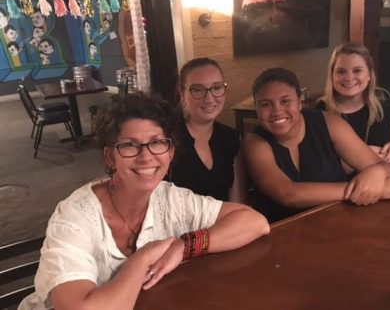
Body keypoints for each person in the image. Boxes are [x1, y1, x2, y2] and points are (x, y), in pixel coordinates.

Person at [19, 94, 269, 310]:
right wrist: (143, 258)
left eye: (157, 143)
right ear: (109, 157)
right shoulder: (74, 217)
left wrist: (184, 246)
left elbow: (255, 222)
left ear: (170, 153)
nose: (146, 156)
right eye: (130, 145)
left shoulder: (170, 198)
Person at [243, 67, 390, 223]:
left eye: (285, 101)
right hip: (280, 235)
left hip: (338, 224)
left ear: (299, 102)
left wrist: (377, 171)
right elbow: (288, 194)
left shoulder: (327, 122)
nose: (277, 111)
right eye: (265, 104)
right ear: (256, 108)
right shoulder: (254, 142)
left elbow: (386, 169)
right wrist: (365, 190)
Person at [316, 42, 390, 168]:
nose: (349, 78)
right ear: (332, 75)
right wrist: (367, 156)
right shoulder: (320, 111)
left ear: (369, 74)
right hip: (343, 184)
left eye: (357, 70)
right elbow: (320, 162)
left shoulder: (385, 99)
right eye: (341, 71)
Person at [171, 57, 248, 203]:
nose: (209, 98)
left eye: (217, 88)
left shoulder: (230, 137)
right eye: (198, 90)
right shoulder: (167, 137)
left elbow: (238, 203)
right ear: (182, 95)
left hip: (225, 222)